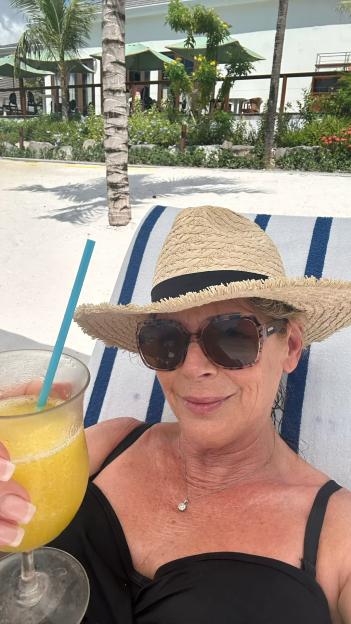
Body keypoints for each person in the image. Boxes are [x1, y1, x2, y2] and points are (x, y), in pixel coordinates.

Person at [1, 205, 351, 623]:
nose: (191, 366)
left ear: (290, 346)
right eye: (165, 339)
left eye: (232, 336)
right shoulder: (110, 442)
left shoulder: (338, 533)